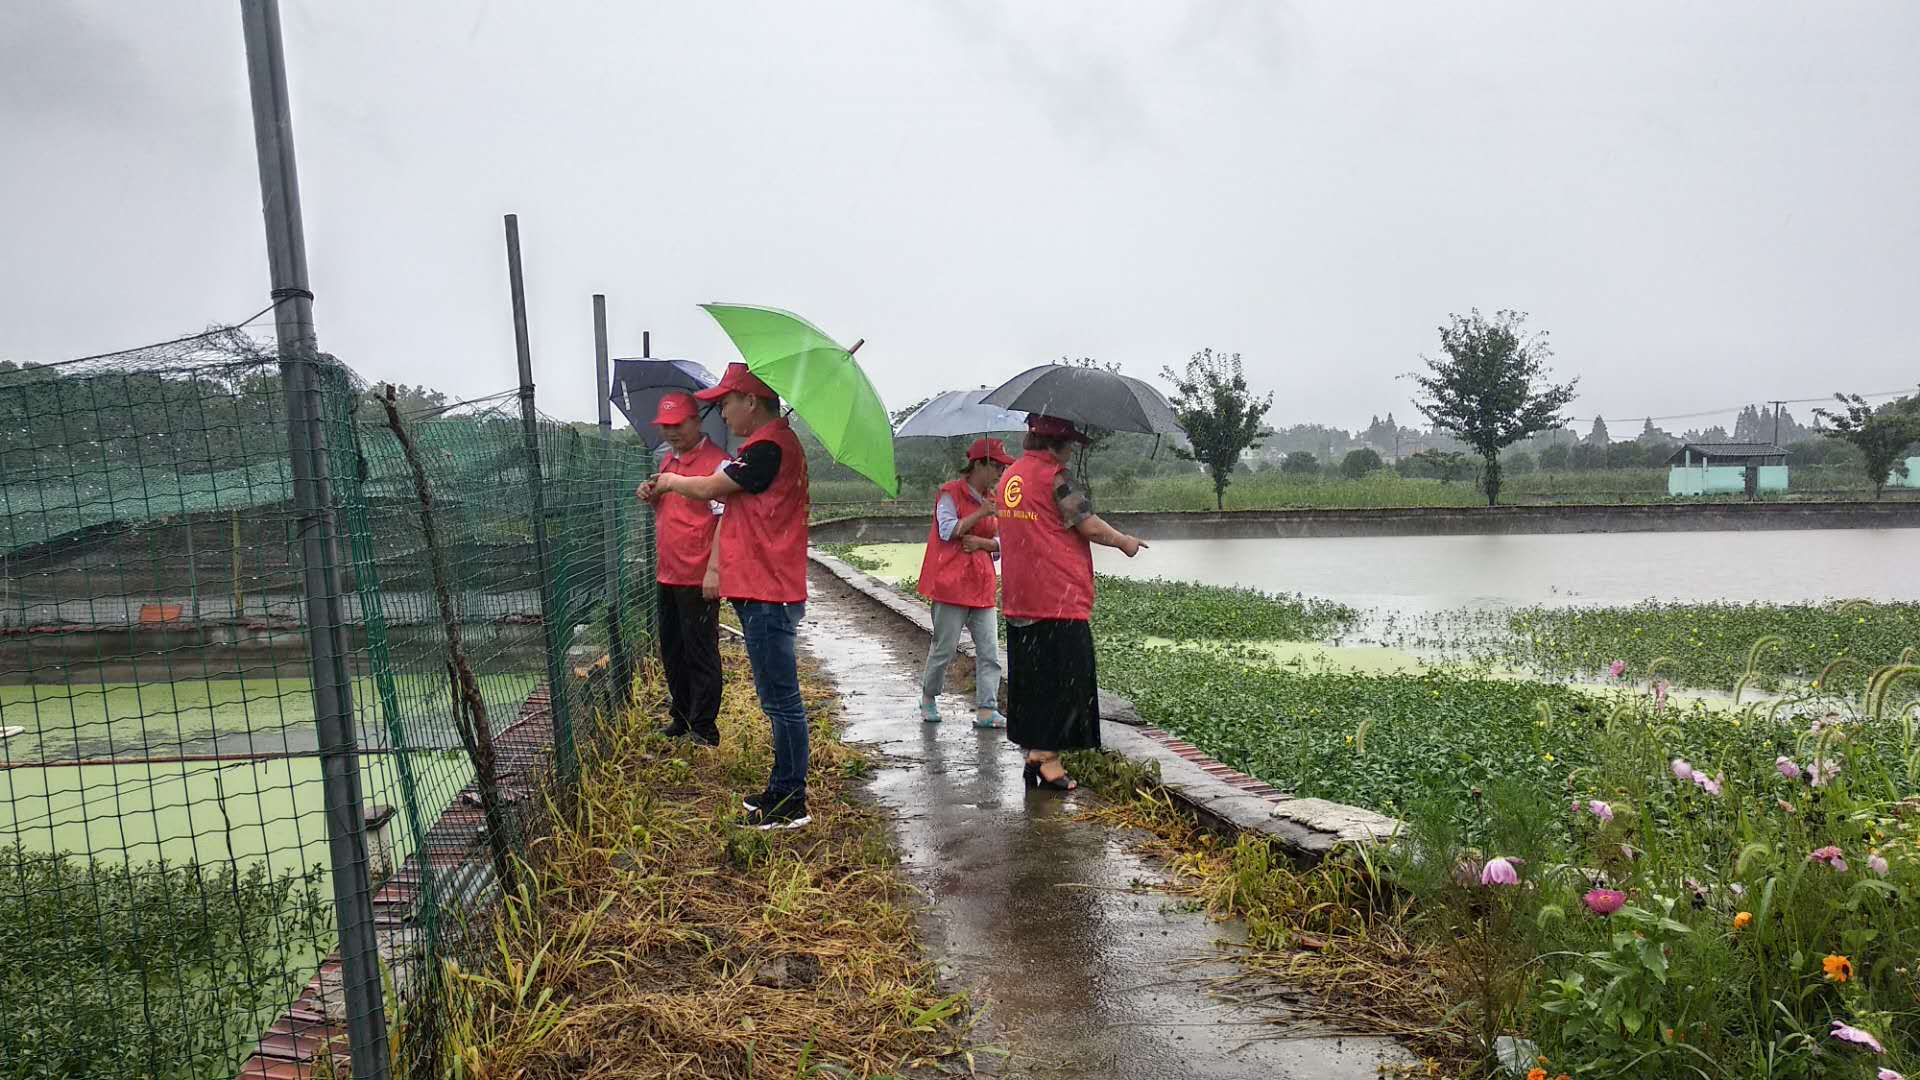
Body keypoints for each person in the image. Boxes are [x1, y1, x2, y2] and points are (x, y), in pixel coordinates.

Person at [646, 362, 813, 830]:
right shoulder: (766, 447)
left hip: (768, 589)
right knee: (776, 698)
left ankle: (790, 800)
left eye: (726, 403)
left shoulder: (768, 449)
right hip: (763, 586)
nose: (723, 411)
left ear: (751, 403)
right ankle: (782, 786)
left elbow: (710, 487)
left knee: (781, 701)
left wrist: (673, 482)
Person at [995, 415, 1147, 791]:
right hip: (1056, 597)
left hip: (1021, 596)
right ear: (1056, 445)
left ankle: (1035, 751)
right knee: (1065, 682)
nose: (1070, 451)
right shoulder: (1056, 478)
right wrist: (1125, 541)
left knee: (1032, 680)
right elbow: (1089, 524)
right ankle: (1048, 758)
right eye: (1068, 445)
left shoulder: (1010, 476)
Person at [634, 391, 728, 747]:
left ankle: (705, 727)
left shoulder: (718, 464)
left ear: (696, 421)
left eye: (678, 424)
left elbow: (726, 519)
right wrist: (650, 493)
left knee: (700, 650)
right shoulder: (668, 465)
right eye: (665, 426)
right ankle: (682, 715)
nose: (671, 432)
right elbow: (668, 511)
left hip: (697, 574)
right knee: (672, 648)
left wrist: (714, 570)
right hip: (667, 571)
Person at [916, 437, 1014, 729]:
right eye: (995, 466)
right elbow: (948, 530)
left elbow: (1003, 542)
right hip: (951, 585)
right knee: (944, 648)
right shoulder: (950, 494)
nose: (999, 473)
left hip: (982, 584)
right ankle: (929, 697)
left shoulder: (994, 499)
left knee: (989, 651)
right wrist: (980, 514)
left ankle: (987, 708)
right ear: (978, 465)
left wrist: (983, 543)